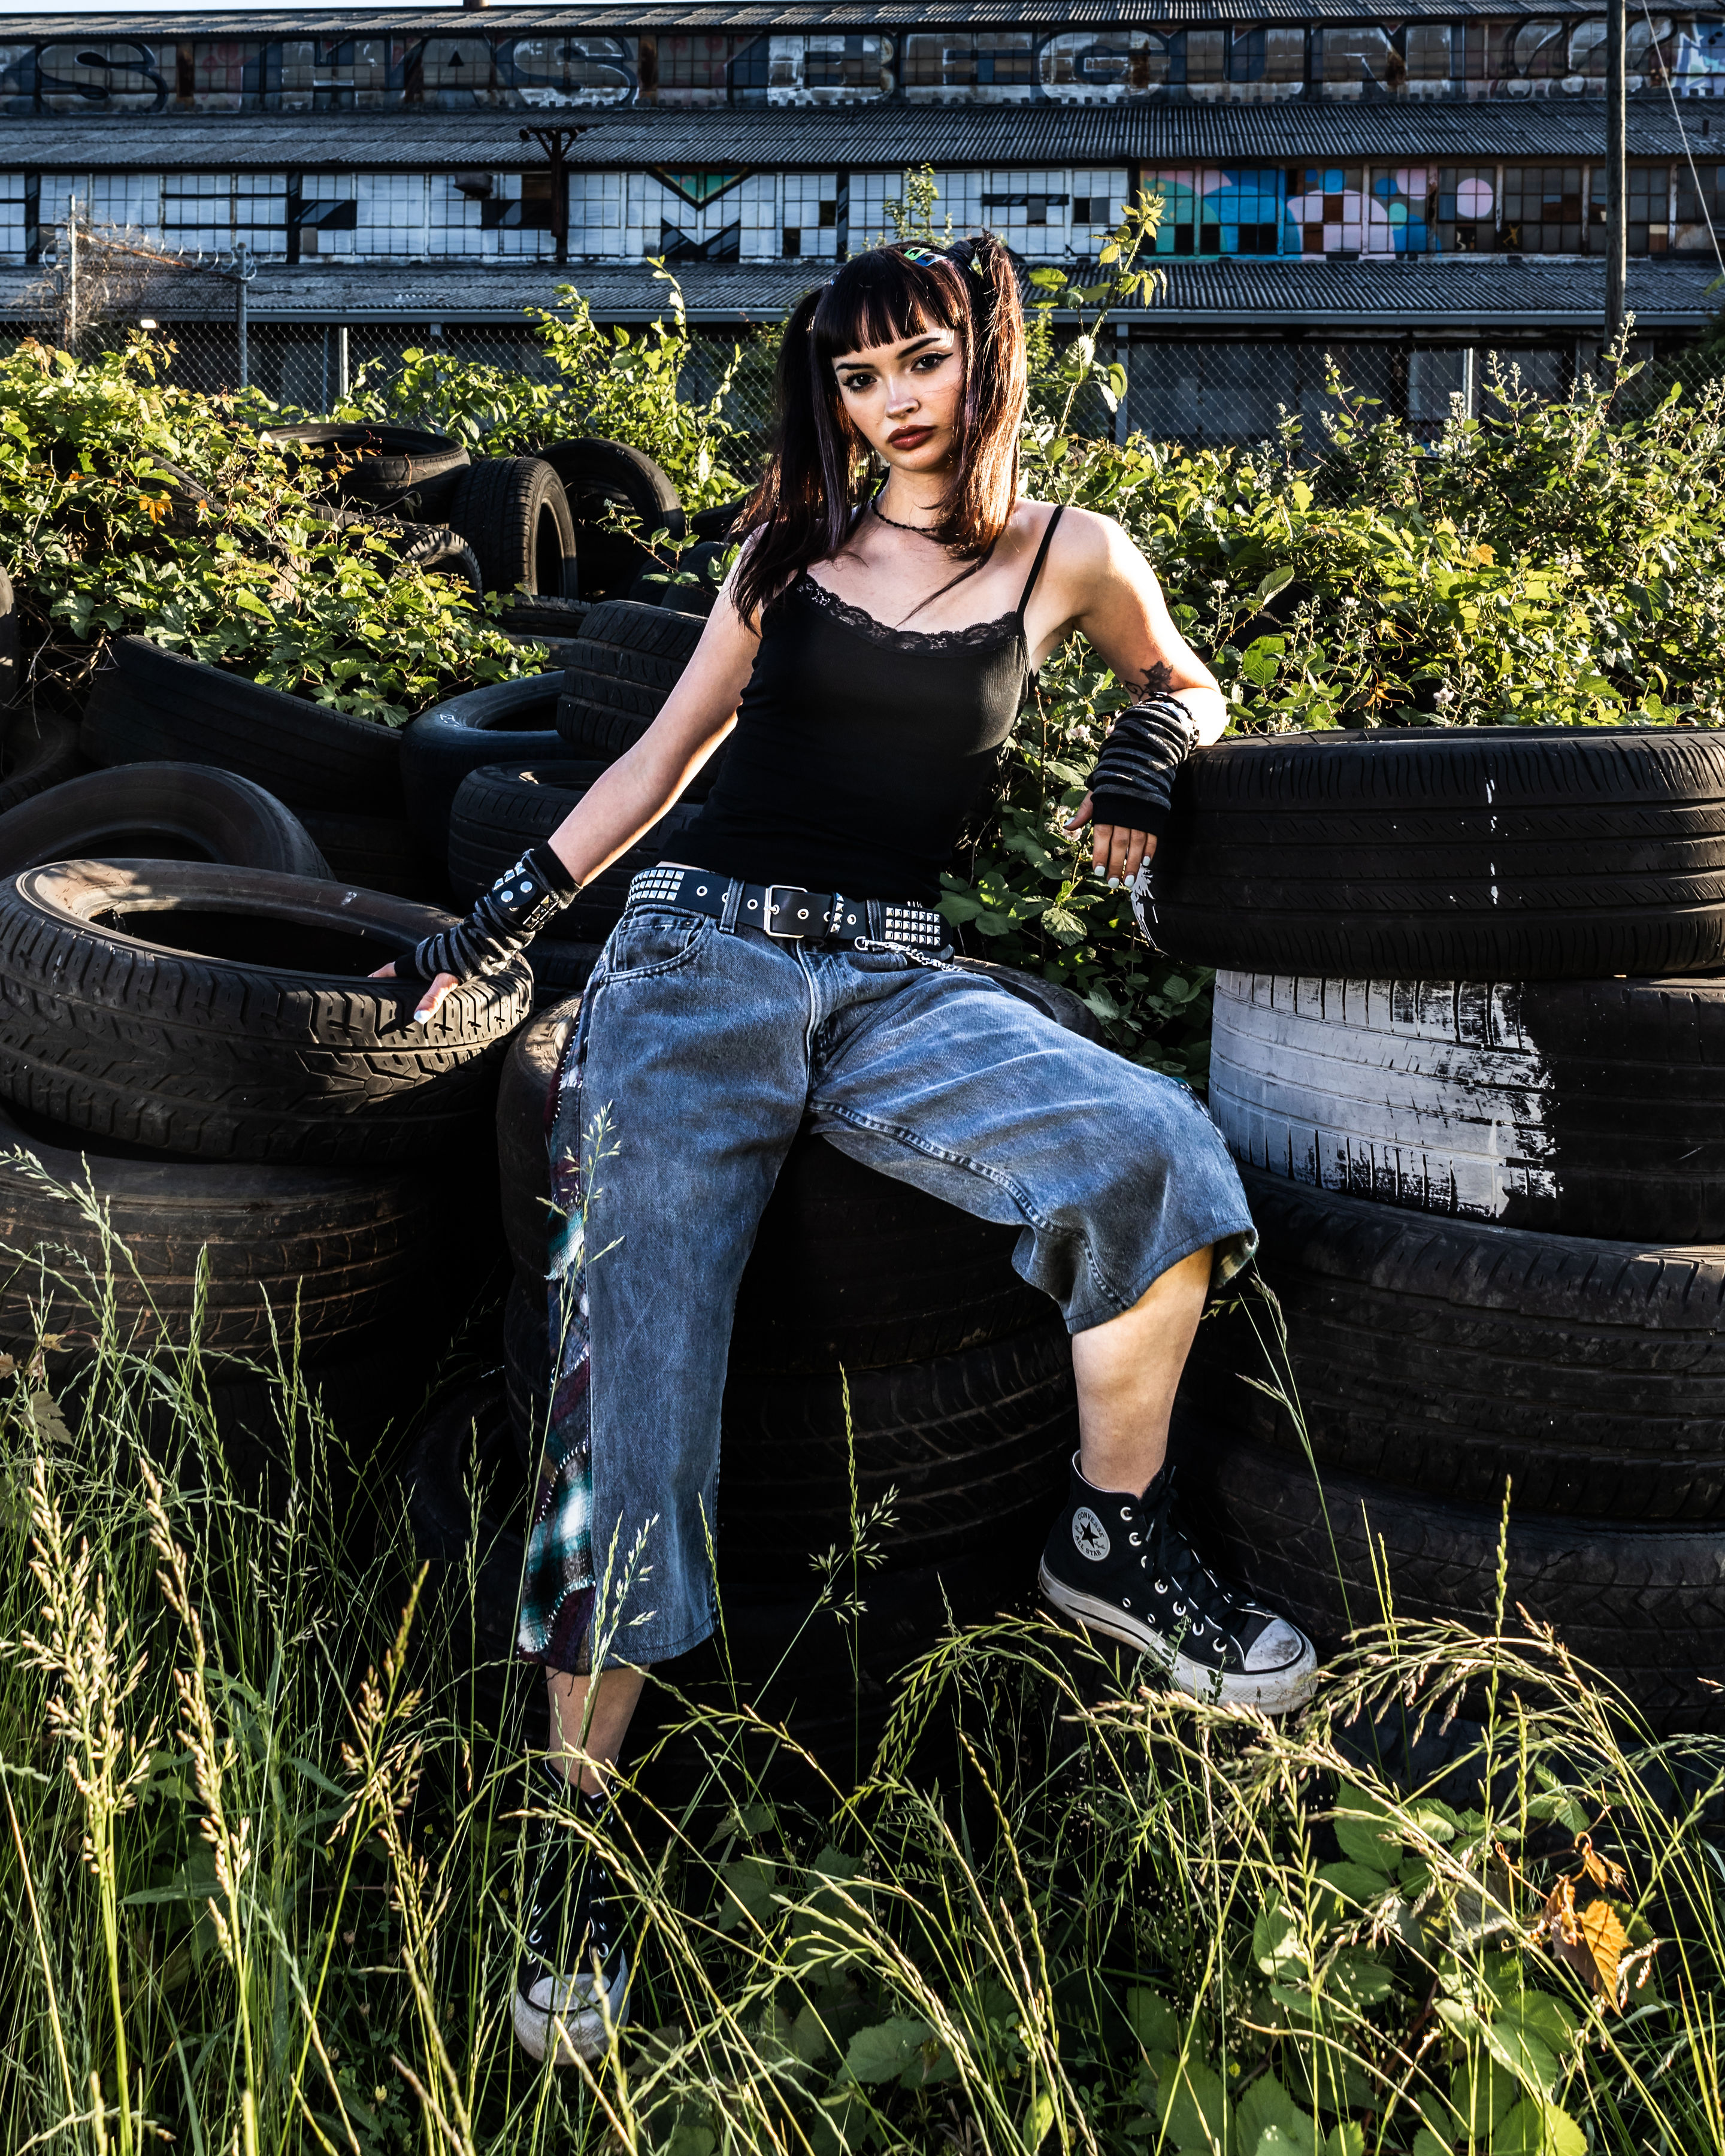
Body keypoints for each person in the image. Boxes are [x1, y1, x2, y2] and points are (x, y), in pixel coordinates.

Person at [382, 235, 1316, 2067]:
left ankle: (1110, 1539)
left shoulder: (1069, 555)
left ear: (987, 357)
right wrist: (500, 916)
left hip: (897, 979)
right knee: (635, 1385)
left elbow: (1185, 677)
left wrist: (1151, 745)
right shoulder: (785, 551)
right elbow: (658, 762)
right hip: (694, 970)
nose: (894, 400)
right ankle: (576, 1841)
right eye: (860, 373)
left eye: (923, 360)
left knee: (1154, 1154)